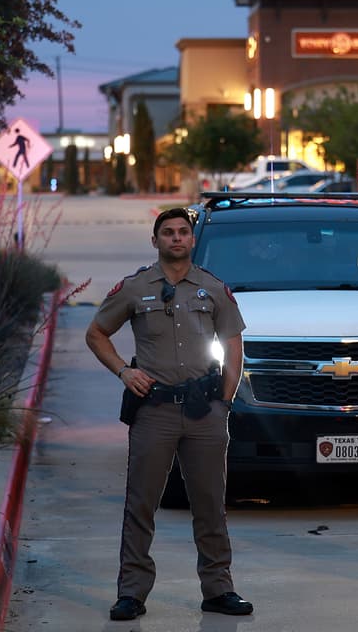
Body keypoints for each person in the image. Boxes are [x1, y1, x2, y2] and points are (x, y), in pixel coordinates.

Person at [85, 207, 254, 621]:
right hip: (154, 411)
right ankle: (131, 593)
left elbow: (233, 344)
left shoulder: (213, 288)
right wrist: (124, 371)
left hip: (204, 411)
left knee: (210, 504)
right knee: (141, 504)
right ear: (155, 240)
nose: (176, 238)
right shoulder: (135, 287)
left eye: (182, 232)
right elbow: (96, 333)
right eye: (168, 232)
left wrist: (225, 401)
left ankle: (218, 589)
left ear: (192, 240)